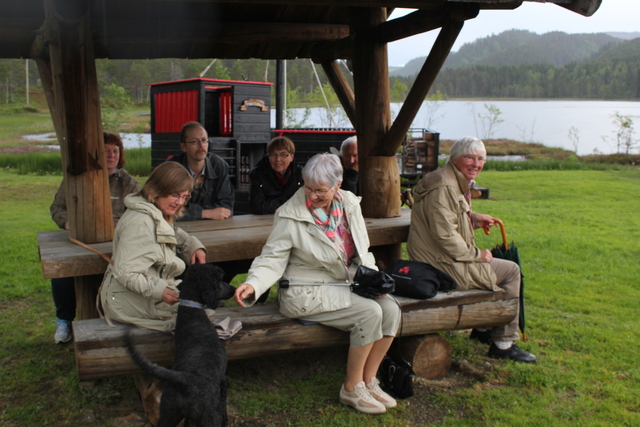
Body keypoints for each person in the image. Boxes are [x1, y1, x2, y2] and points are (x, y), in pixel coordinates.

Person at [234, 153, 401, 414]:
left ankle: (369, 380)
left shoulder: (349, 203)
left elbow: (362, 248)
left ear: (338, 185)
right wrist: (254, 284)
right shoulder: (289, 214)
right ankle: (351, 388)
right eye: (308, 188)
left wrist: (371, 281)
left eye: (320, 190)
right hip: (304, 291)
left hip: (344, 284)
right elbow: (272, 258)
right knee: (369, 314)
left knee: (391, 309)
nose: (312, 196)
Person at [407, 136, 536, 363]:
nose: (476, 164)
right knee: (511, 271)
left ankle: (484, 329)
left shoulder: (446, 178)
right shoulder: (445, 186)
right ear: (455, 158)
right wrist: (477, 255)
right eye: (470, 157)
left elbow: (442, 218)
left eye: (480, 159)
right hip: (440, 266)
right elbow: (444, 234)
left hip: (436, 259)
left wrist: (472, 218)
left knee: (502, 270)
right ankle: (503, 343)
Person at [49, 131, 140, 344]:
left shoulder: (129, 183)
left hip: (115, 246)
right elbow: (56, 207)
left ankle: (115, 320)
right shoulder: (76, 178)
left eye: (115, 151)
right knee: (61, 273)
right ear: (96, 154)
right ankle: (64, 321)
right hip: (79, 242)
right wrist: (67, 222)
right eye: (106, 151)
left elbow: (138, 215)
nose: (111, 155)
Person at [98, 162, 207, 331]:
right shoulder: (141, 223)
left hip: (141, 299)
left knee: (202, 310)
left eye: (184, 197)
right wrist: (159, 291)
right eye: (175, 195)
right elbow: (125, 272)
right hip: (130, 305)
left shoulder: (153, 211)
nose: (179, 202)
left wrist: (191, 245)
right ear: (157, 189)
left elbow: (168, 231)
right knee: (202, 319)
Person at [167, 121, 234, 221]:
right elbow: (168, 209)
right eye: (194, 141)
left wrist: (188, 210)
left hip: (213, 228)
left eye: (204, 140)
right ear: (183, 147)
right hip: (178, 229)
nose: (201, 145)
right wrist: (205, 213)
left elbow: (226, 208)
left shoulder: (219, 165)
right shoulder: (171, 168)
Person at [249, 136, 303, 215]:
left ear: (292, 157)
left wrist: (273, 205)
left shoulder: (300, 174)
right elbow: (257, 207)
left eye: (283, 154)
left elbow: (304, 204)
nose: (278, 159)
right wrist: (287, 200)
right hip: (264, 222)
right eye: (273, 154)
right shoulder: (258, 174)